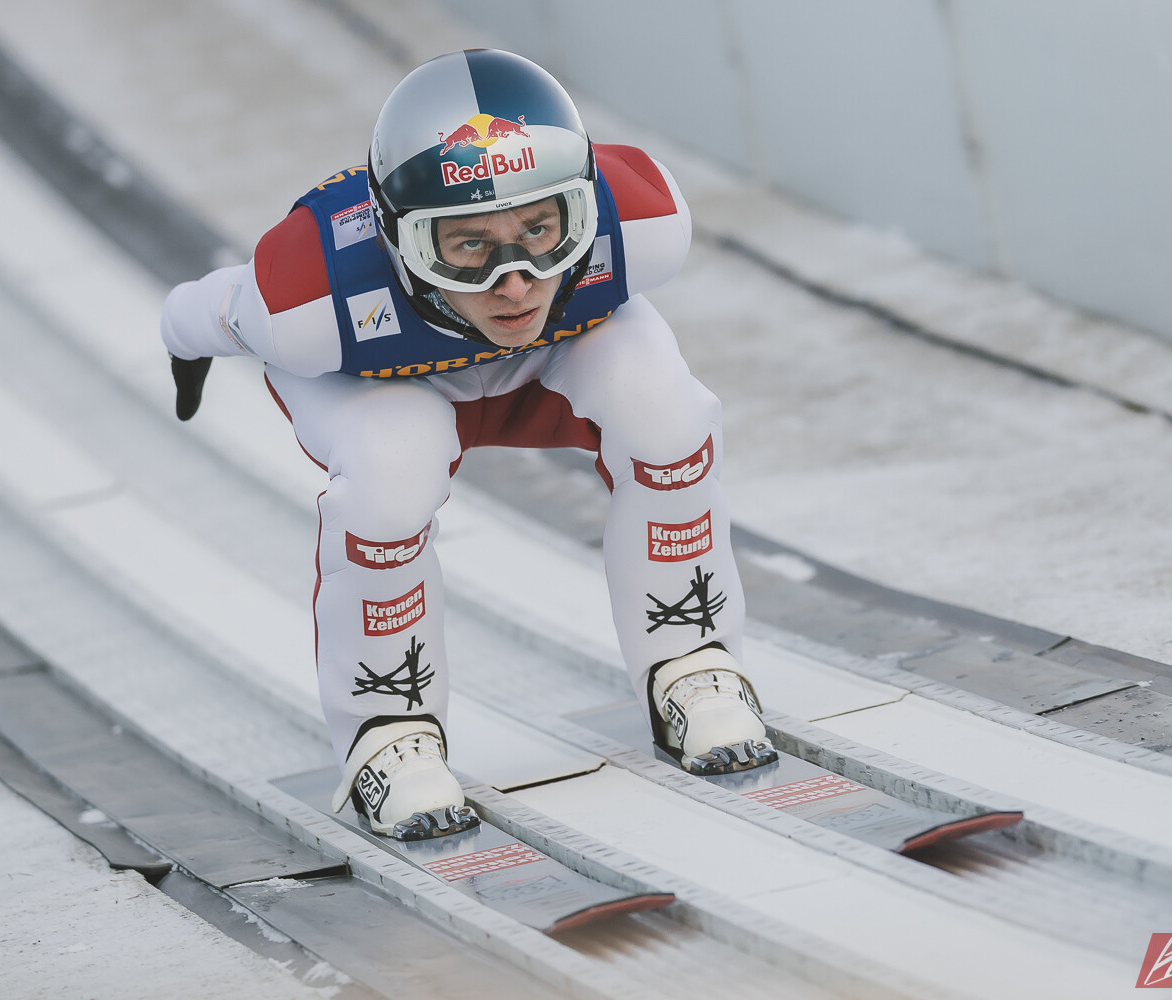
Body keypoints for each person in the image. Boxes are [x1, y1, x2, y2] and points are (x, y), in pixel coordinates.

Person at [160, 49, 776, 841]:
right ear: (398, 242)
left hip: (553, 358)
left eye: (541, 230)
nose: (514, 282)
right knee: (391, 469)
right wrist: (181, 343)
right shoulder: (308, 301)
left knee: (665, 407)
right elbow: (209, 310)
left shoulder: (644, 222)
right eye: (468, 247)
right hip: (382, 389)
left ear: (584, 208)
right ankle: (387, 730)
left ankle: (693, 660)